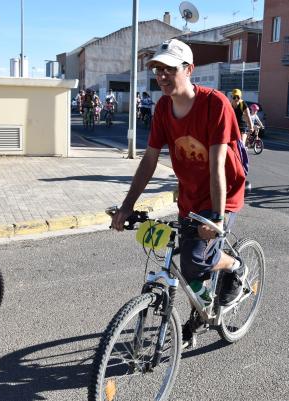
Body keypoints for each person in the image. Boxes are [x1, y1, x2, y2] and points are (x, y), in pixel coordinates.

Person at [110, 38, 247, 347]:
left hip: (223, 193)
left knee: (195, 261)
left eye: (168, 69)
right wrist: (126, 206)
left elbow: (217, 167)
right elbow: (148, 160)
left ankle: (235, 267)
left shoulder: (215, 105)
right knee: (187, 261)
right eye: (157, 69)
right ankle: (201, 313)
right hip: (190, 195)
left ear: (189, 69)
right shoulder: (162, 108)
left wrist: (218, 218)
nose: (161, 76)